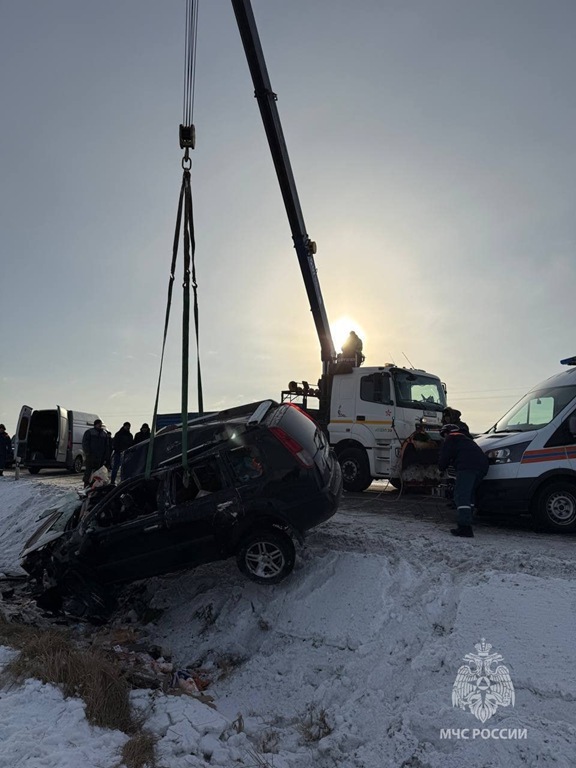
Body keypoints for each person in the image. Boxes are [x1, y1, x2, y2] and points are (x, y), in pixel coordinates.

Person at [438, 424, 489, 538]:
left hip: (467, 468)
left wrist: (440, 469)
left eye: (443, 435)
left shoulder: (451, 438)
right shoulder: (468, 440)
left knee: (461, 495)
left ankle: (464, 527)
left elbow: (444, 457)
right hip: (482, 468)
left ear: (447, 432)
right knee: (469, 494)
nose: (444, 438)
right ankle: (468, 519)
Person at [82, 419, 112, 487]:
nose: (100, 425)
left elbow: (106, 446)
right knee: (88, 471)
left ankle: (94, 485)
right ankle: (86, 484)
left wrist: (106, 456)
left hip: (100, 457)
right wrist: (87, 452)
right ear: (95, 424)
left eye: (100, 424)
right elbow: (85, 443)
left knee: (98, 472)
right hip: (91, 455)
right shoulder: (90, 432)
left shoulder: (104, 434)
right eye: (99, 424)